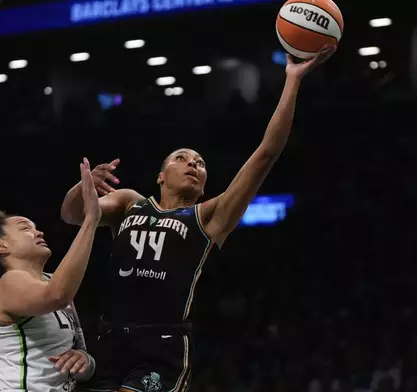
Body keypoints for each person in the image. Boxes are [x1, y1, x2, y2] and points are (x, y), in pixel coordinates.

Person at [60, 49, 335, 392]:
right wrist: (83, 185)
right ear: (161, 176)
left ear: (204, 185)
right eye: (182, 158)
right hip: (109, 340)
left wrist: (292, 79)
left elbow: (266, 154)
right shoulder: (130, 202)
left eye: (200, 163)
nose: (193, 163)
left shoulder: (209, 217)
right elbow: (72, 215)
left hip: (162, 346)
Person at [0, 158, 102, 392]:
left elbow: (83, 355)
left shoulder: (53, 281)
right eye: (24, 228)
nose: (38, 231)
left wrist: (85, 360)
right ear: (1, 247)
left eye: (34, 227)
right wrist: (90, 220)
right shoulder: (8, 284)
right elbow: (57, 295)